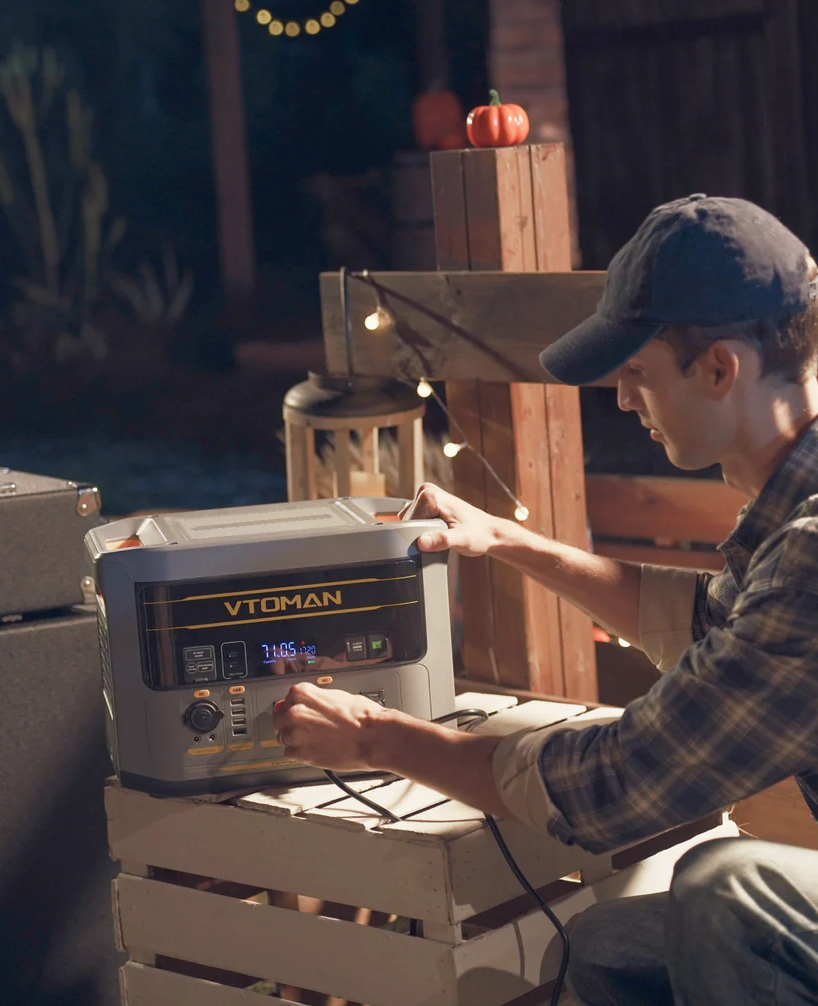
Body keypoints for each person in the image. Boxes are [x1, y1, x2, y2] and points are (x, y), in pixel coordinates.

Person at [273, 194, 818, 1005]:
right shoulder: (791, 516)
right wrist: (505, 539)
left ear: (718, 369)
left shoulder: (811, 553)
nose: (625, 400)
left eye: (637, 373)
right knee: (605, 948)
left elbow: (624, 784)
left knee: (725, 888)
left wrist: (378, 738)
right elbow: (712, 626)